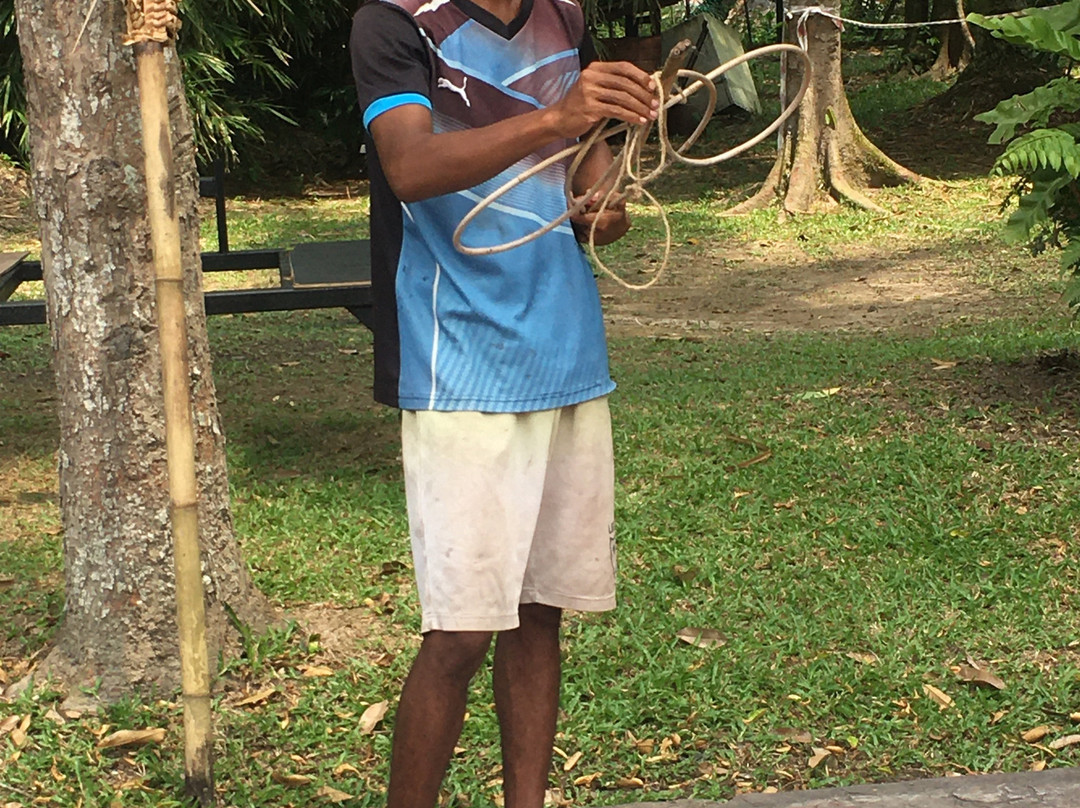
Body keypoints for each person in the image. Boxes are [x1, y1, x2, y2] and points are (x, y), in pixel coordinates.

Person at [349, 1, 657, 805]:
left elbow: (596, 200)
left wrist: (606, 200)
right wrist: (556, 113)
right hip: (460, 361)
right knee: (460, 633)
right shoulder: (394, 23)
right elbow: (409, 166)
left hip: (565, 355)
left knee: (540, 616)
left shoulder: (564, 18)